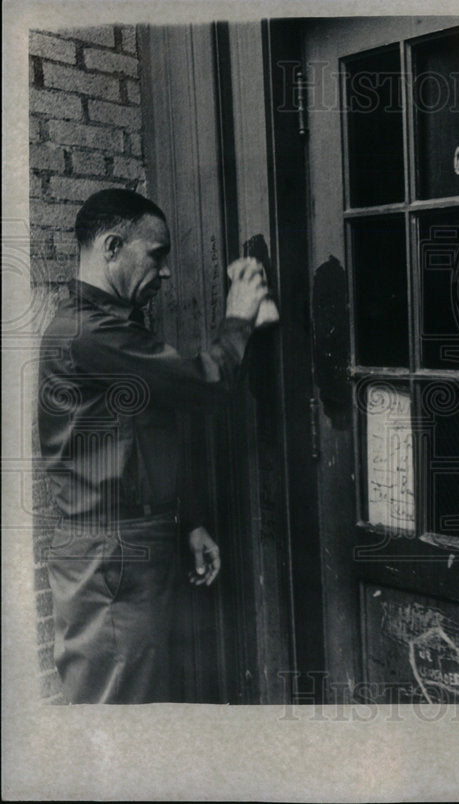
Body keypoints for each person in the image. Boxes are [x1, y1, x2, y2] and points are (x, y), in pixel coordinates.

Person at [37, 188, 274, 704]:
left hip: (127, 548)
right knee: (117, 721)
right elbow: (204, 383)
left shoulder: (110, 329)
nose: (166, 272)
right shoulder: (90, 333)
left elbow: (149, 434)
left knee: (142, 706)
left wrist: (187, 521)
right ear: (113, 245)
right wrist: (239, 317)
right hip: (110, 555)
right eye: (157, 254)